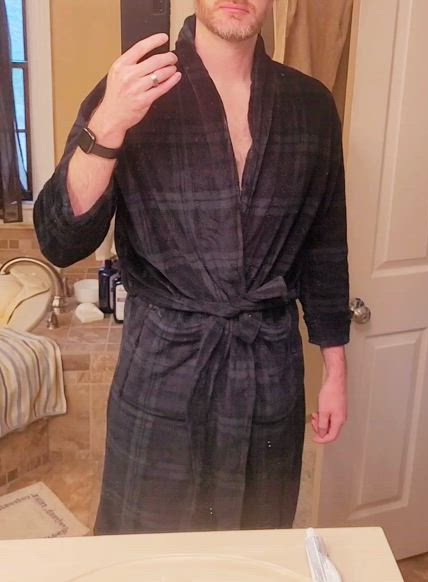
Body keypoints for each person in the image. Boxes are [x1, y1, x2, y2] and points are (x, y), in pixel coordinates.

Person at [34, 0, 350, 534]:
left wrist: (336, 373)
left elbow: (325, 247)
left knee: (253, 540)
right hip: (163, 368)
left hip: (268, 370)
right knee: (145, 545)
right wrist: (108, 124)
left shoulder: (311, 106)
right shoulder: (133, 90)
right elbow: (60, 239)